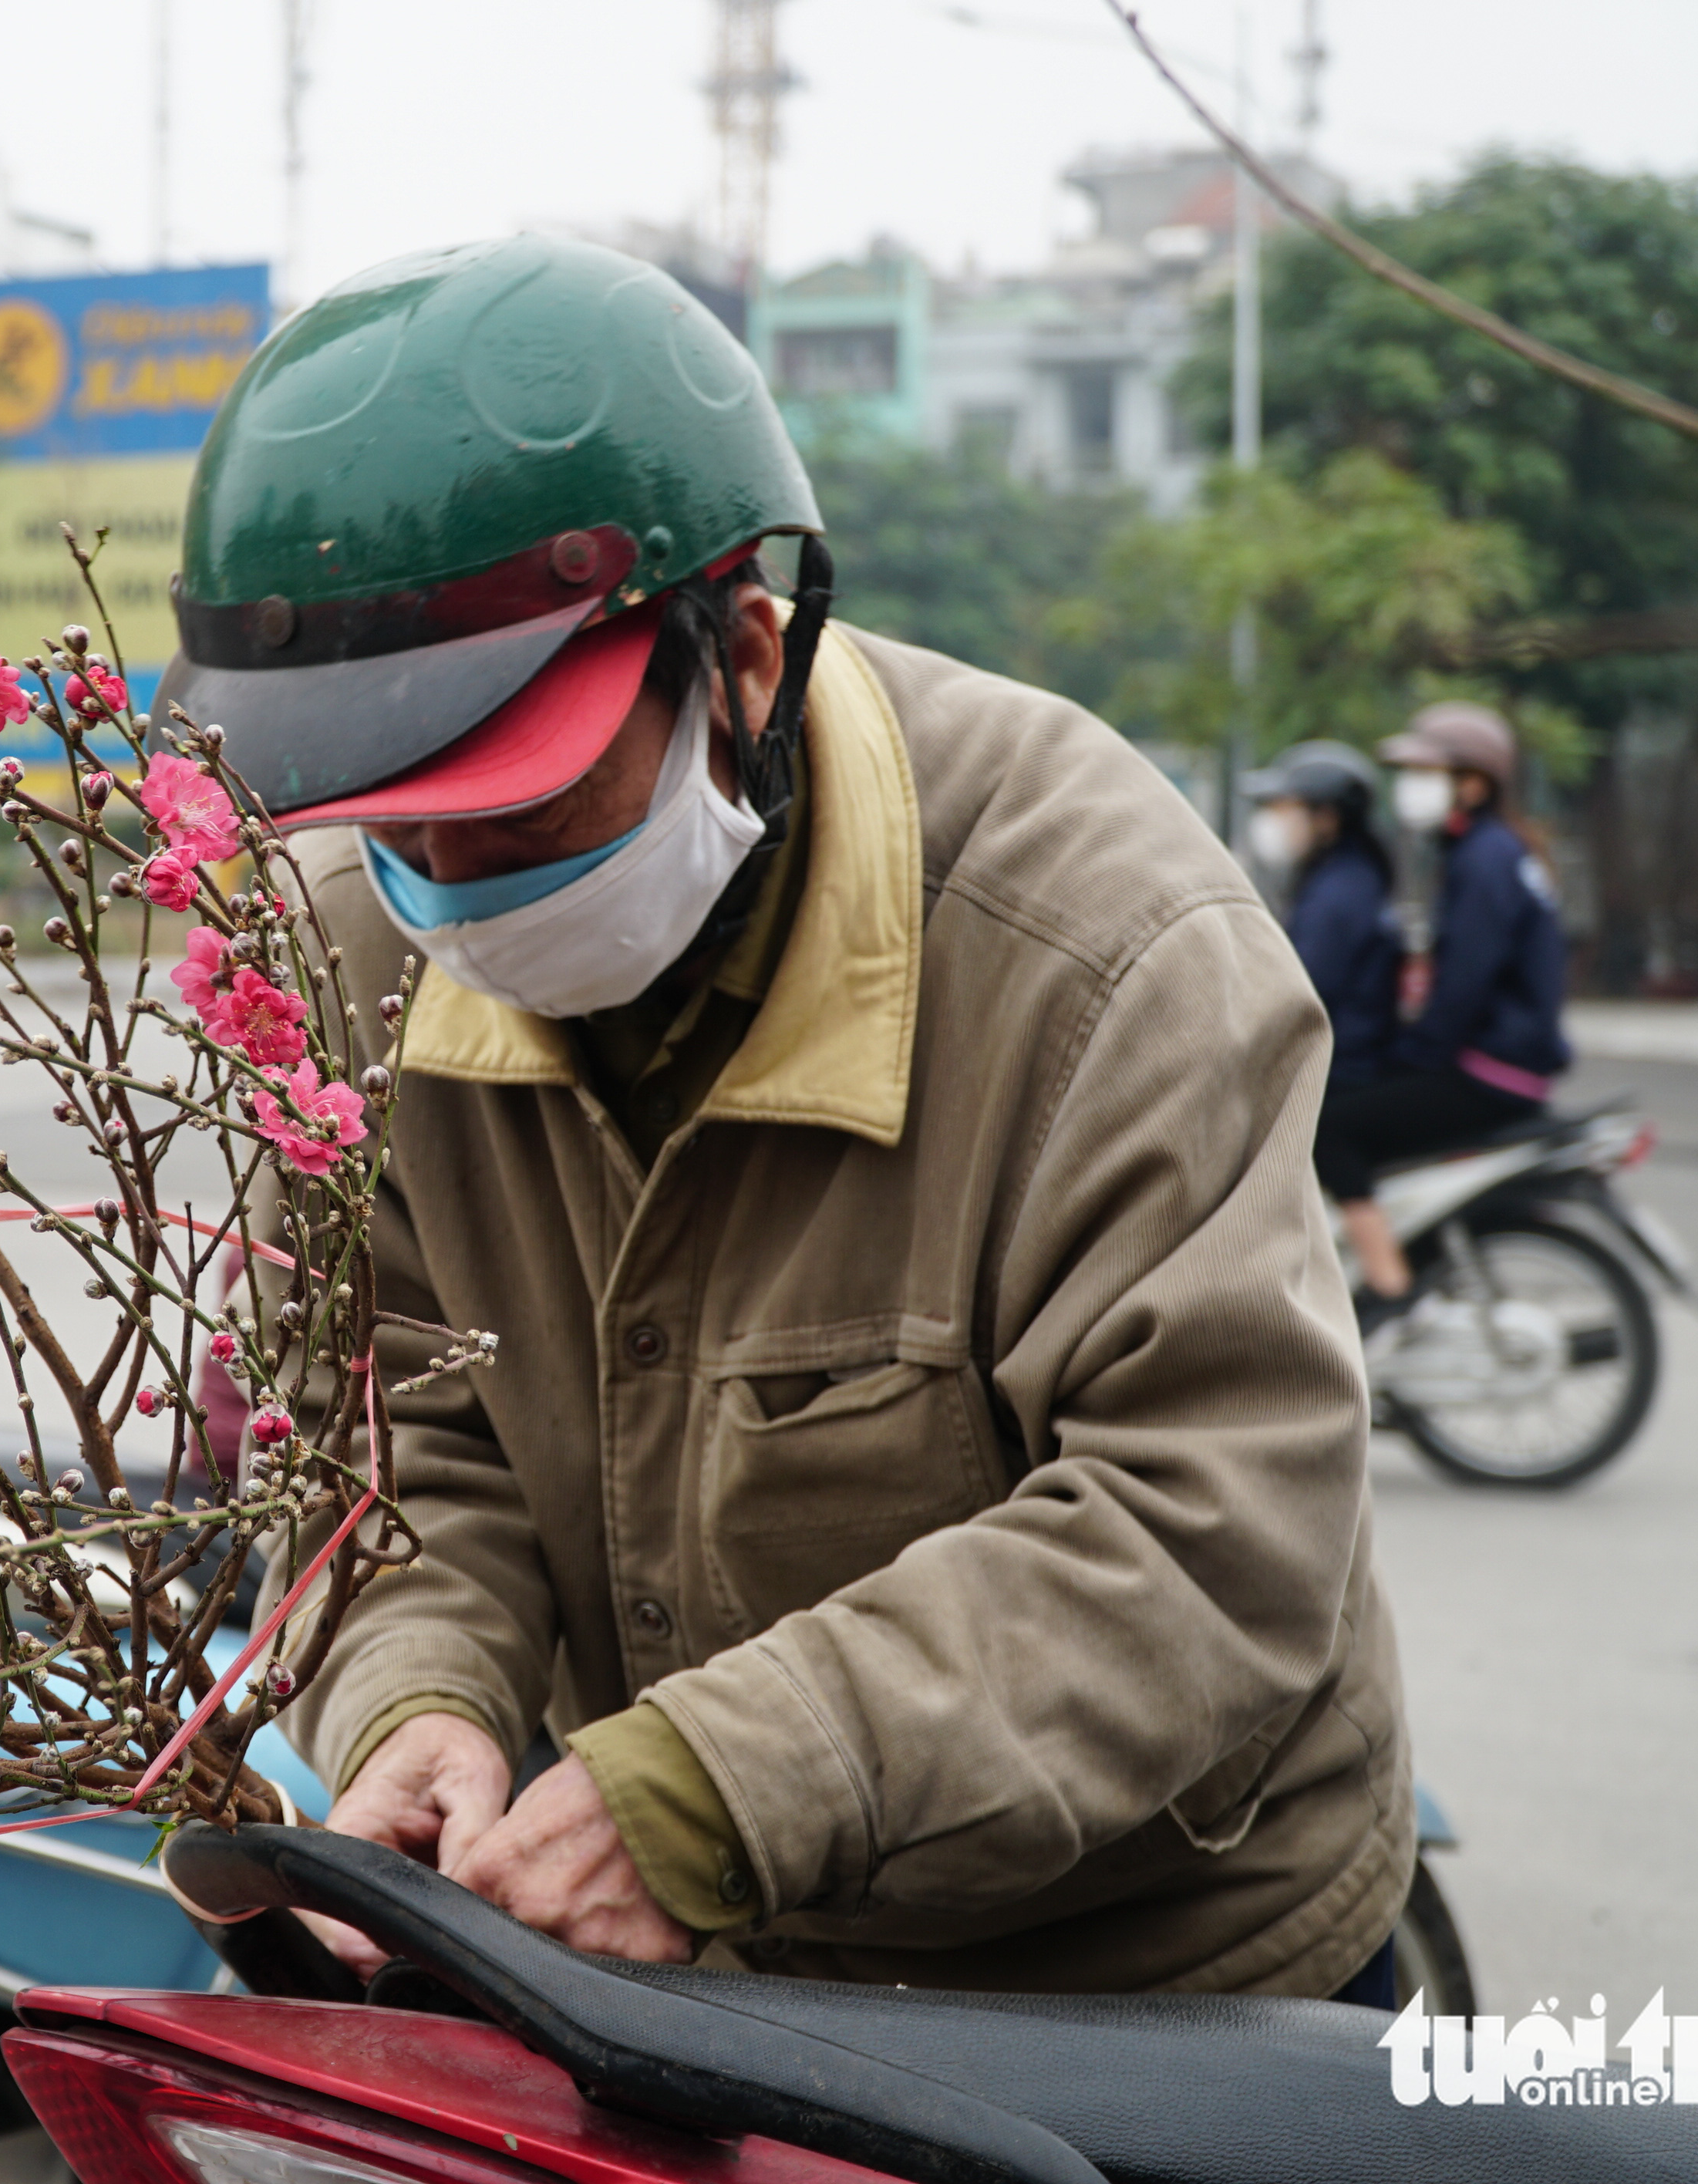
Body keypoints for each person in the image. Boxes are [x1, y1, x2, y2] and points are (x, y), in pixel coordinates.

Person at [160, 236, 1406, 2003]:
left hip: (1152, 1977)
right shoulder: (349, 972)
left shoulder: (1106, 955)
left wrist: (715, 1782)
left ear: (740, 651)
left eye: (504, 806)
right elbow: (397, 1443)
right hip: (711, 1978)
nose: (443, 892)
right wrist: (418, 1695)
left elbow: (1209, 1524)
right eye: (386, 817)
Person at [1310, 703, 1570, 1325]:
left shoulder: (1485, 859)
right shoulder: (1496, 851)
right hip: (1509, 1063)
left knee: (1329, 1128)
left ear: (1474, 783)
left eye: (1427, 771)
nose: (1412, 787)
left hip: (1491, 1070)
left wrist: (1410, 1055)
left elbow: (1465, 984)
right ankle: (1408, 1262)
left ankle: (1388, 1287)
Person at [1239, 740, 1401, 1090]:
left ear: (1326, 818)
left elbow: (1297, 995)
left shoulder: (1337, 895)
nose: (1273, 822)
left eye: (1285, 809)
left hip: (1337, 1074)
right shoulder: (1349, 876)